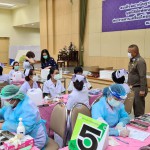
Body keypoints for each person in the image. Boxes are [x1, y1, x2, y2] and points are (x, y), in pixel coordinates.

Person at [0, 85, 48, 149]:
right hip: (18, 137)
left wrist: (3, 125)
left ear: (15, 98)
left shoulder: (28, 108)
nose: (5, 102)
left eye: (7, 100)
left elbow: (24, 128)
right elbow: (3, 112)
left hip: (34, 138)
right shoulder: (12, 104)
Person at [128, 44, 148, 117]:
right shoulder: (133, 60)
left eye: (129, 52)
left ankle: (140, 125)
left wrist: (142, 89)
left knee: (138, 110)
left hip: (138, 88)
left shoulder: (140, 61)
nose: (128, 54)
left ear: (135, 52)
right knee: (134, 108)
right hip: (133, 87)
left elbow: (142, 76)